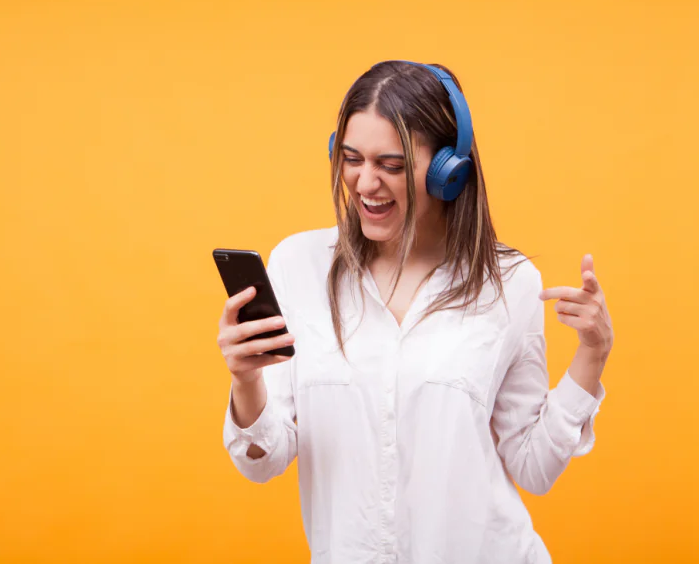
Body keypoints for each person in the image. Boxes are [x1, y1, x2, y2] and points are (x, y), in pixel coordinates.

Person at [217, 60, 613, 564]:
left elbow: (534, 467)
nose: (365, 183)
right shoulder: (298, 265)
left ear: (450, 169)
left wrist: (592, 356)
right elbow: (262, 462)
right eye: (352, 158)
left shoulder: (509, 282)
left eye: (392, 164)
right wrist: (245, 379)